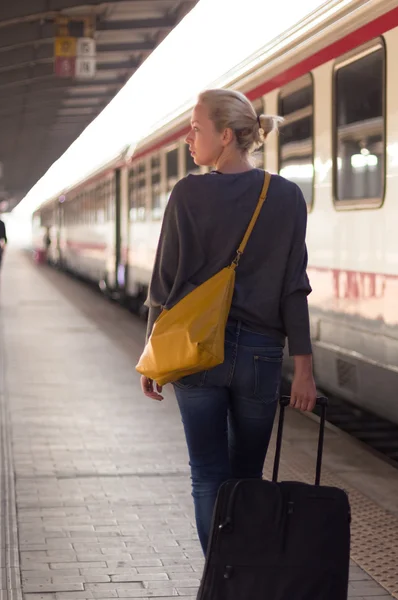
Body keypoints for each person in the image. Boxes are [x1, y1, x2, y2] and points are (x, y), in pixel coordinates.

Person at [139, 88, 317, 555]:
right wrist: (304, 368)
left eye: (195, 129)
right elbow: (293, 287)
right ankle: (244, 578)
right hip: (259, 353)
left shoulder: (187, 194)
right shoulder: (285, 196)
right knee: (246, 479)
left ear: (224, 135)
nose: (188, 139)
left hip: (197, 351)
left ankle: (223, 580)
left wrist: (152, 356)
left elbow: (164, 285)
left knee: (207, 477)